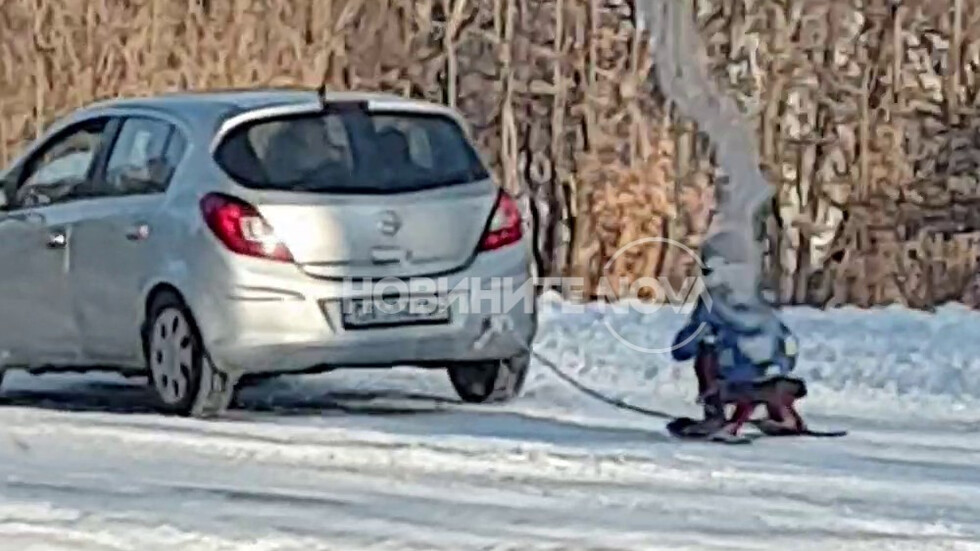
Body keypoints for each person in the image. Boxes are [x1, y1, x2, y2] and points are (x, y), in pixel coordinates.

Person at [670, 266, 807, 439]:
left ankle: (715, 416)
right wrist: (780, 366)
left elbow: (686, 345)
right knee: (766, 365)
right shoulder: (758, 301)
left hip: (737, 385)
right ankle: (783, 415)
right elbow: (787, 340)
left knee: (707, 349)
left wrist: (682, 349)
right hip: (779, 382)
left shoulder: (712, 303)